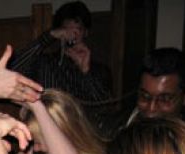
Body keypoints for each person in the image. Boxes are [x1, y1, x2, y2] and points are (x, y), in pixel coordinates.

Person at [9, 1, 111, 130]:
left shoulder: (99, 71)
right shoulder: (45, 63)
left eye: (78, 30)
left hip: (83, 136)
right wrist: (48, 37)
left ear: (86, 32)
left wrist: (86, 71)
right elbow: (13, 73)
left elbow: (105, 108)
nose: (73, 36)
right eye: (68, 31)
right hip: (48, 133)